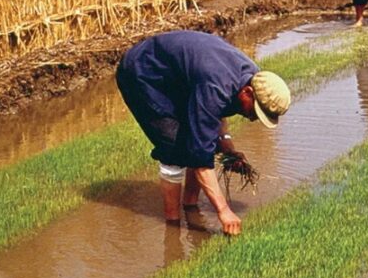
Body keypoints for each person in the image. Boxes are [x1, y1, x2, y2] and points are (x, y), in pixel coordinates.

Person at [115, 30, 291, 235]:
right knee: (174, 149)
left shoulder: (251, 78)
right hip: (144, 74)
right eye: (255, 112)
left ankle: (190, 207)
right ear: (248, 93)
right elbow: (200, 158)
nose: (253, 118)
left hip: (176, 77)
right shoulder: (217, 85)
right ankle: (173, 227)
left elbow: (216, 113)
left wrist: (227, 147)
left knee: (198, 140)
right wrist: (223, 211)